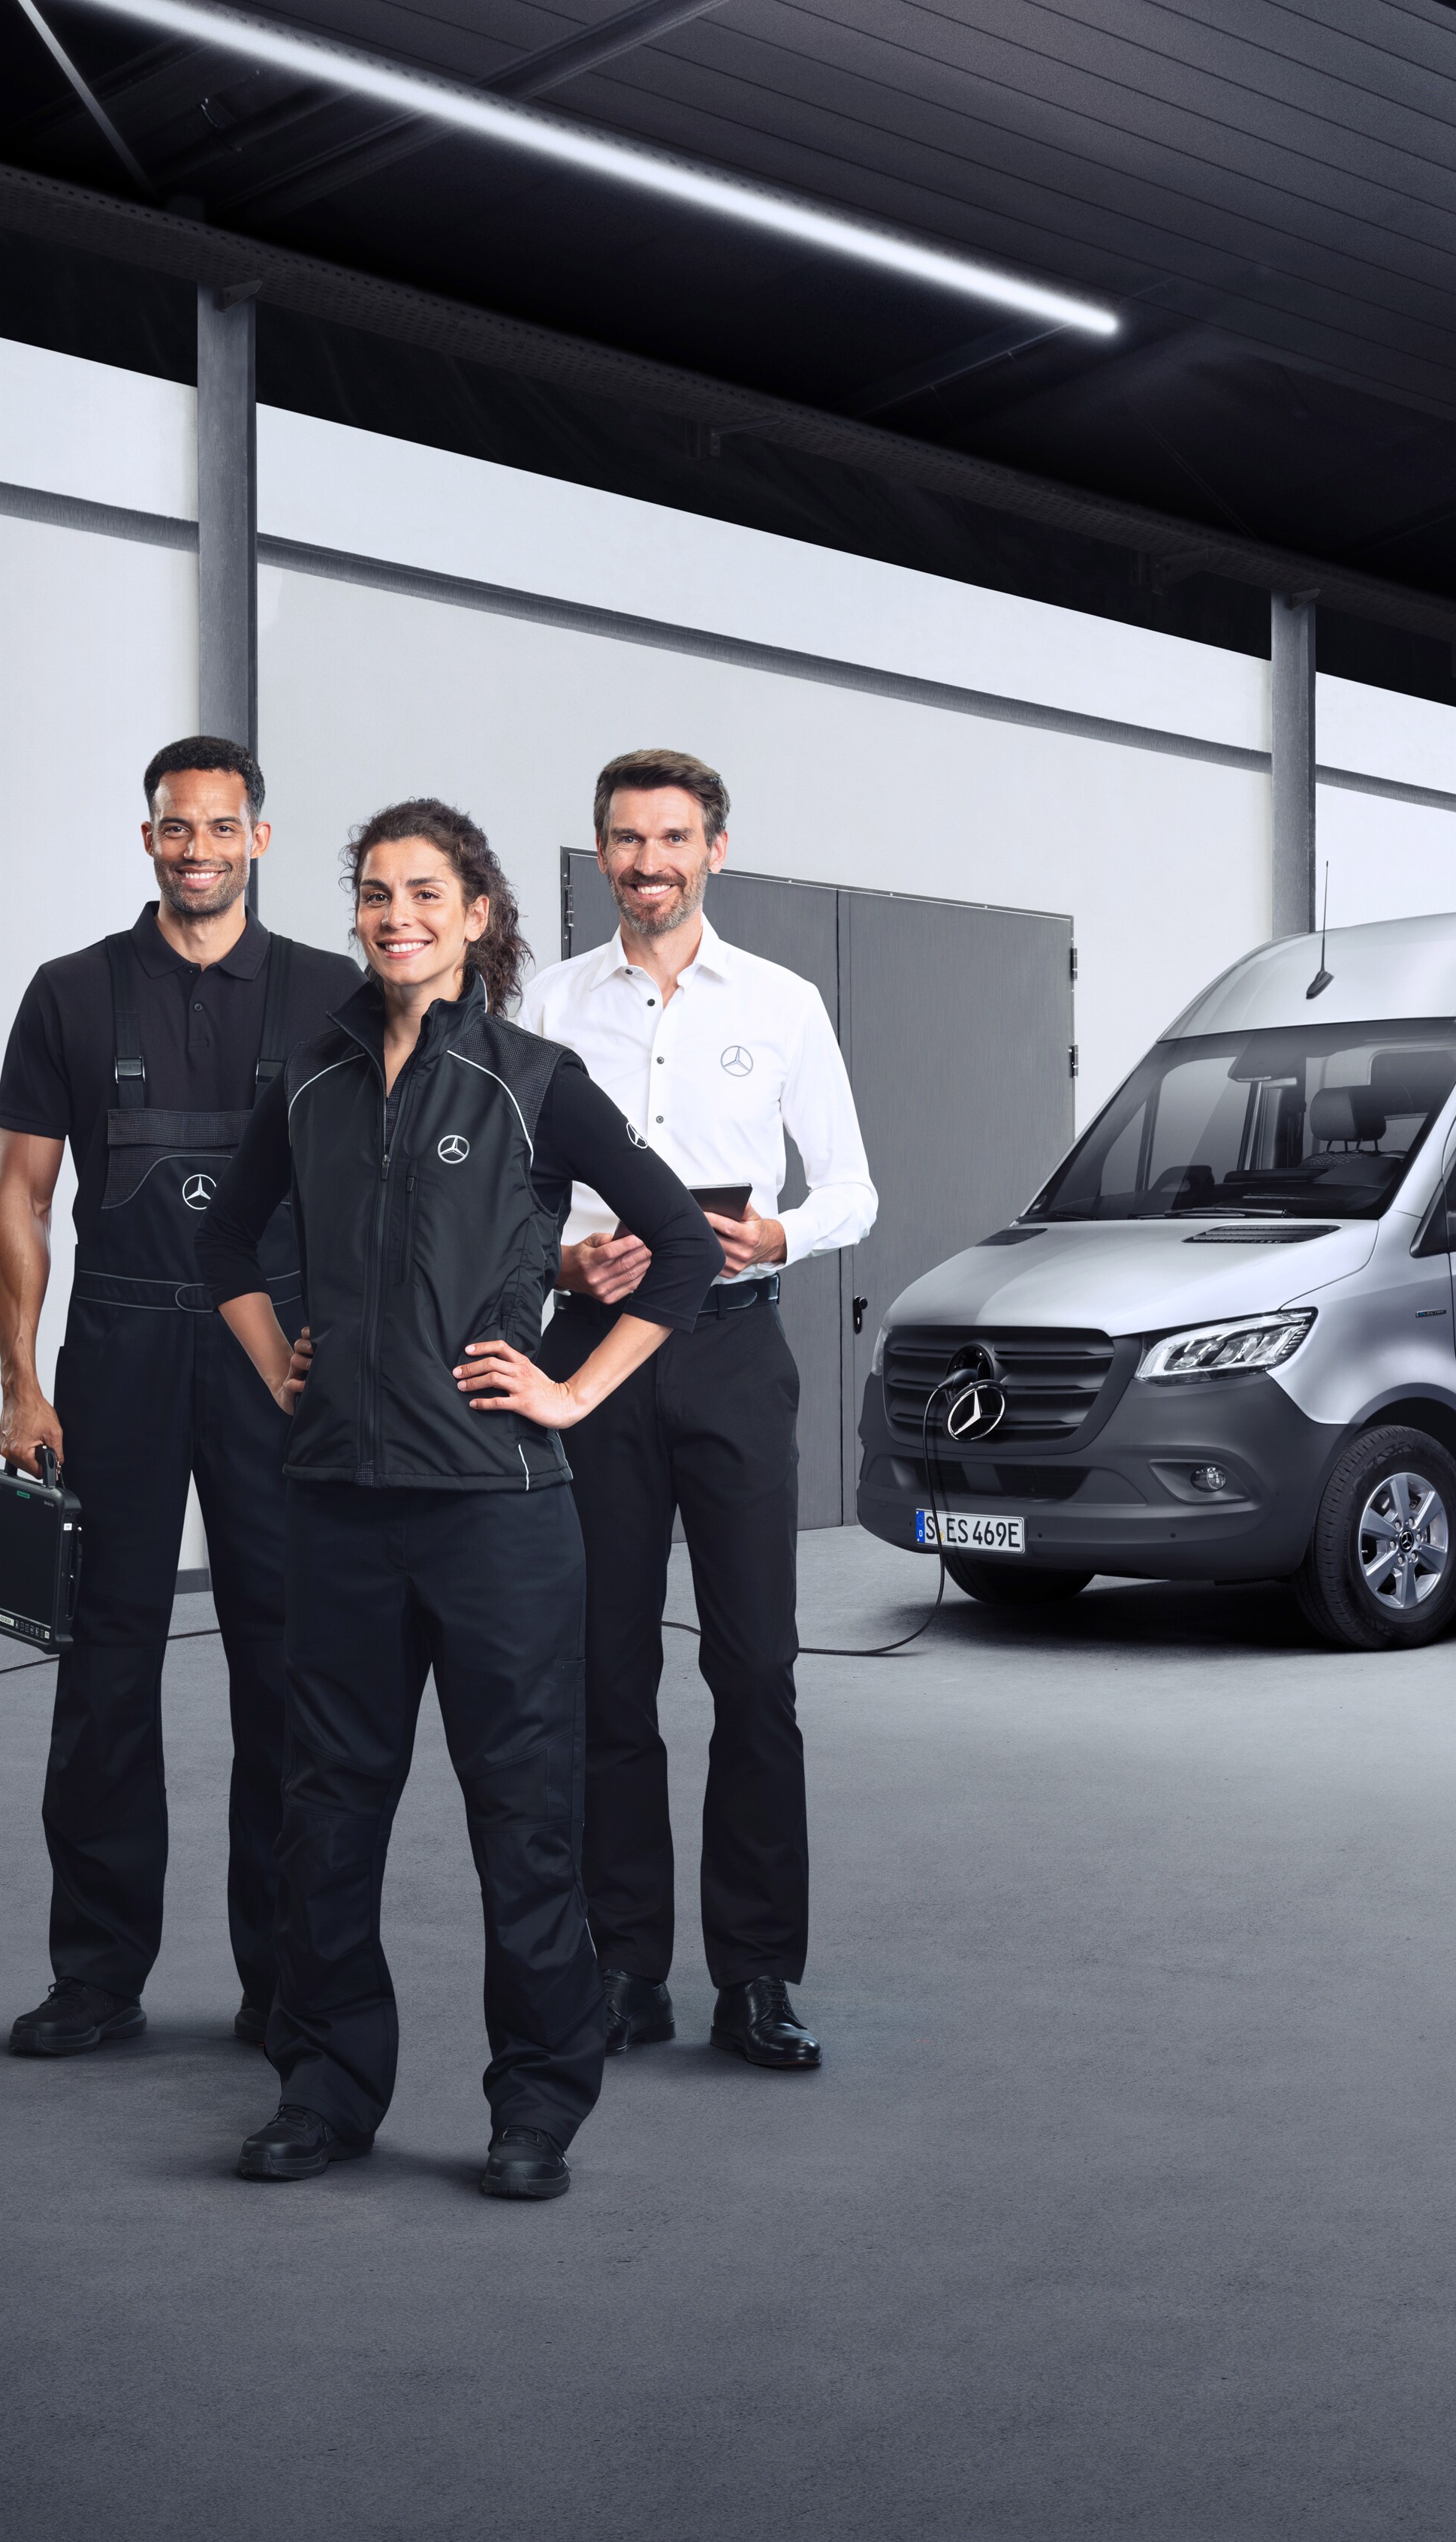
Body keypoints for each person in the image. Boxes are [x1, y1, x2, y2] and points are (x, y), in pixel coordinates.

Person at [200, 798, 721, 2199]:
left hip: (496, 1515)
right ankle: (323, 2088)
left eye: (426, 893)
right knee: (326, 1815)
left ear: (477, 915)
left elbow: (679, 1245)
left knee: (523, 1819)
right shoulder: (310, 1079)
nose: (398, 917)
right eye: (376, 893)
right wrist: (281, 1363)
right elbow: (224, 1243)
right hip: (337, 1506)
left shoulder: (531, 1079)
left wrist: (572, 1390)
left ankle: (536, 2102)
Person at [0, 736, 361, 2057]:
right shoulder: (70, 992)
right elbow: (21, 1195)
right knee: (102, 1664)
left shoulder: (333, 992)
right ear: (147, 837)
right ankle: (95, 1973)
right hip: (121, 1354)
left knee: (288, 1666)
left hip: (279, 1357)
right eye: (174, 826)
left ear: (258, 837)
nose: (196, 848)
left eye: (219, 825)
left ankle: (285, 1977)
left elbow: (376, 1191)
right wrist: (21, 1381)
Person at [521, 748, 877, 2071]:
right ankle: (625, 1966)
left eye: (672, 838)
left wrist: (778, 1233)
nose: (648, 862)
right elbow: (512, 1188)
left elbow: (852, 1189)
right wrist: (564, 1262)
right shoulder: (551, 1003)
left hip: (731, 1350)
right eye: (626, 839)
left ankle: (757, 1975)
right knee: (604, 1668)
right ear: (600, 852)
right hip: (594, 1355)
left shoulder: (781, 1002)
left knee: (755, 1671)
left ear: (714, 849)